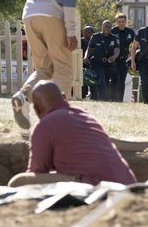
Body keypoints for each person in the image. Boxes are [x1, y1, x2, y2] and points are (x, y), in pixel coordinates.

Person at [11, 0, 83, 130]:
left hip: (30, 14)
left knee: (44, 68)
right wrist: (71, 31)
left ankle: (23, 97)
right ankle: (56, 119)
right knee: (63, 69)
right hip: (51, 15)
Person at [7, 80, 137, 187]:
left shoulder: (44, 126)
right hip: (127, 182)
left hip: (94, 185)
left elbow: (37, 172)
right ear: (64, 97)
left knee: (19, 182)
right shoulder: (85, 115)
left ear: (36, 109)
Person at [84, 20, 120, 101]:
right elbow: (89, 49)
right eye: (105, 26)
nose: (107, 28)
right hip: (97, 62)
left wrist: (114, 57)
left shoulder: (115, 38)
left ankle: (100, 99)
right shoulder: (95, 36)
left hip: (108, 64)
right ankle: (103, 100)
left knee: (106, 82)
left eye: (109, 26)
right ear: (102, 27)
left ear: (111, 28)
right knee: (102, 80)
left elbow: (117, 50)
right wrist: (86, 57)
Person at [111, 13, 135, 101]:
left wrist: (131, 56)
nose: (121, 23)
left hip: (124, 60)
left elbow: (135, 45)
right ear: (116, 22)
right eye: (119, 22)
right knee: (115, 80)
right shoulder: (112, 31)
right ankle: (113, 100)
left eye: (123, 21)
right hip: (114, 61)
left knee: (122, 82)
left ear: (126, 22)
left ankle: (120, 100)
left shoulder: (130, 32)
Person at [81, 25, 95, 99]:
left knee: (93, 83)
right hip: (81, 65)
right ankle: (82, 96)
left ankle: (94, 97)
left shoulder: (95, 40)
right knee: (83, 85)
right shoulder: (80, 41)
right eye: (84, 31)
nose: (86, 33)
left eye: (89, 32)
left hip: (92, 65)